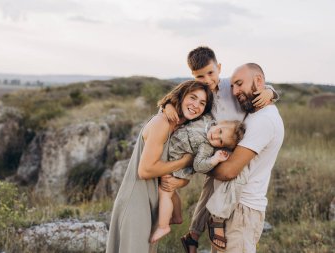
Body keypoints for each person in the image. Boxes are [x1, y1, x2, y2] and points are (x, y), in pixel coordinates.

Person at [162, 46, 280, 251]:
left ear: (219, 67)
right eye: (200, 76)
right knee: (210, 186)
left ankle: (203, 228)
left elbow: (253, 84)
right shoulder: (199, 91)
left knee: (226, 182)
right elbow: (178, 97)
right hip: (214, 143)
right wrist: (167, 106)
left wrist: (271, 91)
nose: (207, 79)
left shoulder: (229, 86)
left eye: (211, 73)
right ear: (193, 76)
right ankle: (194, 232)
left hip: (235, 143)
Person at [106, 80, 213, 253]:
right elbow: (145, 170)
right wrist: (185, 161)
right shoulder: (161, 123)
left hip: (152, 204)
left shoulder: (181, 128)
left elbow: (178, 175)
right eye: (193, 97)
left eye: (202, 103)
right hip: (136, 201)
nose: (196, 105)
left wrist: (179, 182)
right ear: (181, 95)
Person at [150, 116, 246, 243]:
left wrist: (214, 159)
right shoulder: (204, 120)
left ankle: (163, 226)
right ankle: (177, 216)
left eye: (220, 141)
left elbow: (198, 165)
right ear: (221, 123)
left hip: (175, 163)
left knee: (165, 192)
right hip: (170, 150)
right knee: (172, 192)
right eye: (220, 131)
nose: (215, 137)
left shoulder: (206, 146)